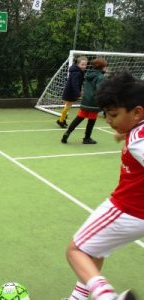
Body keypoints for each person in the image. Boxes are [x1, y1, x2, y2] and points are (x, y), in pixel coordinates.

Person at [63, 71, 144, 300]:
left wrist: (131, 138)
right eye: (106, 115)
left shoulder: (138, 139)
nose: (108, 120)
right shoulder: (137, 128)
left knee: (76, 251)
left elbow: (139, 141)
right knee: (94, 249)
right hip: (138, 215)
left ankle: (107, 297)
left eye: (114, 115)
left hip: (126, 210)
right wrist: (125, 134)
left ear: (137, 112)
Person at [61, 58, 107, 144]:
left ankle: (67, 133)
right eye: (105, 66)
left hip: (85, 100)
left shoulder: (88, 73)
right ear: (102, 67)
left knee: (79, 118)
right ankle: (87, 138)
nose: (106, 68)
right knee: (91, 120)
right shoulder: (100, 77)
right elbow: (99, 90)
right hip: (93, 102)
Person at [57, 56, 88, 128]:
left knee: (67, 106)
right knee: (68, 106)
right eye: (82, 64)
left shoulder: (77, 71)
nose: (84, 66)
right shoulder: (76, 73)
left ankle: (62, 119)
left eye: (85, 64)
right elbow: (75, 84)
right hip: (70, 92)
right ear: (78, 64)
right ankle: (61, 120)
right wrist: (78, 93)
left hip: (70, 91)